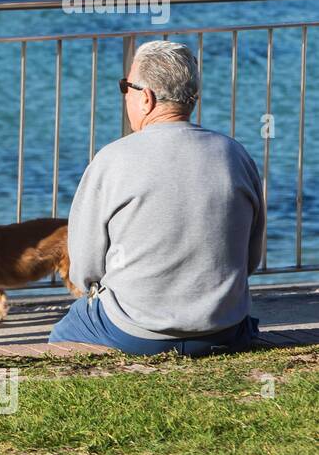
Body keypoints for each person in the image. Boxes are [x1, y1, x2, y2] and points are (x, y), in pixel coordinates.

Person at [50, 41, 264, 356]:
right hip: (223, 328)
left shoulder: (112, 160)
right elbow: (250, 259)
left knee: (62, 336)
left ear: (146, 98)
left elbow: (85, 271)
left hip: (133, 330)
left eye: (126, 86)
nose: (125, 94)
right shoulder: (235, 155)